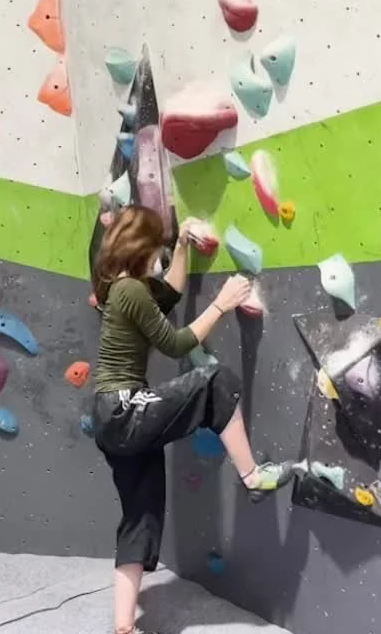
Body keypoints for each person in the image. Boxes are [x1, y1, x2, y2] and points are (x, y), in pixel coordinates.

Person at [92, 205, 295, 634]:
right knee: (214, 381)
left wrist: (183, 245)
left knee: (140, 516)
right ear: (141, 248)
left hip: (112, 417)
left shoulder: (123, 288)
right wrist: (222, 303)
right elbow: (177, 342)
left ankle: (123, 627)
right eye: (158, 248)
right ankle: (253, 476)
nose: (160, 256)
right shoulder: (129, 289)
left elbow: (168, 295)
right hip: (126, 409)